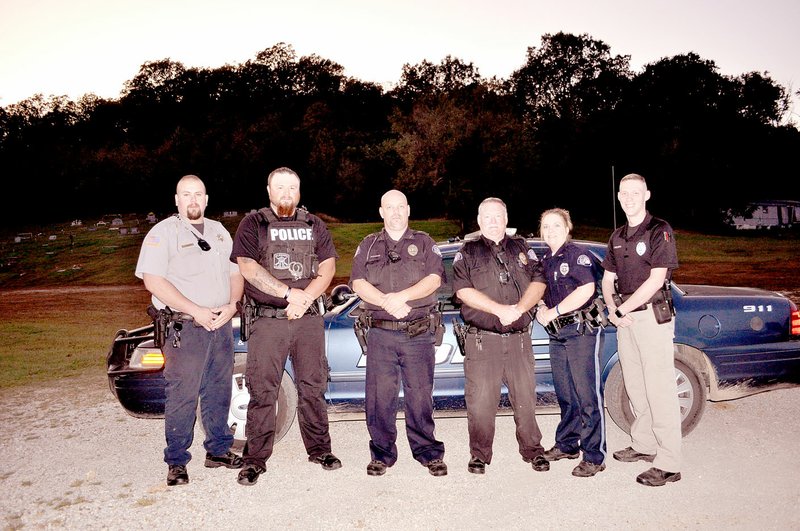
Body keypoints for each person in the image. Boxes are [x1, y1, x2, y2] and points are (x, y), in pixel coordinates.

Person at [231, 166, 341, 486]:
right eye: (280, 188)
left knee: (312, 387)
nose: (286, 194)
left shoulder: (313, 223)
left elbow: (329, 265)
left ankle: (320, 449)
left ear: (300, 191)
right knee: (263, 390)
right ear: (269, 191)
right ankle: (254, 458)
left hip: (307, 320)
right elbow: (248, 268)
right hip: (268, 321)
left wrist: (305, 298)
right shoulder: (253, 224)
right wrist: (288, 293)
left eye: (292, 188)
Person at [135, 174, 245, 486]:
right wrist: (196, 309)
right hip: (185, 327)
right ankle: (177, 461)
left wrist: (233, 304)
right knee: (182, 395)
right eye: (187, 194)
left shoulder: (220, 232)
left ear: (206, 199)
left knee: (218, 389)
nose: (193, 200)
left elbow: (235, 272)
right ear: (177, 199)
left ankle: (218, 450)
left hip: (220, 325)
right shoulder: (163, 233)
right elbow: (153, 281)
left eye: (198, 194)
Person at [350, 190, 448, 477]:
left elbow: (433, 280)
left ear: (408, 210)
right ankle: (381, 454)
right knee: (380, 398)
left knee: (420, 396)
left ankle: (428, 452)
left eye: (400, 207)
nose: (395, 212)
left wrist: (401, 298)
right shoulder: (367, 245)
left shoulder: (425, 242)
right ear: (381, 212)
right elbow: (358, 283)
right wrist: (386, 302)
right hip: (380, 334)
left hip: (418, 334)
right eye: (389, 207)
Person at [452, 197, 549, 475]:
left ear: (506, 220)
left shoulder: (522, 247)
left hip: (519, 339)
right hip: (483, 341)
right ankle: (480, 455)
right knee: (481, 401)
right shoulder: (468, 252)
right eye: (487, 217)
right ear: (479, 220)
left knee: (526, 400)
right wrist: (499, 310)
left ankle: (533, 451)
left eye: (498, 216)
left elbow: (539, 281)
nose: (493, 221)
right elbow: (462, 291)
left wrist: (519, 309)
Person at [601, 172, 682, 487]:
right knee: (635, 387)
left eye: (636, 192)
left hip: (650, 318)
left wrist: (621, 308)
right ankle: (645, 444)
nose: (630, 197)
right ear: (619, 197)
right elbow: (608, 280)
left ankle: (669, 462)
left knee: (659, 390)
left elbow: (656, 279)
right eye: (625, 193)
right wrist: (612, 309)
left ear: (647, 194)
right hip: (625, 320)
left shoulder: (659, 231)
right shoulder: (617, 236)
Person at [535, 208, 607, 477]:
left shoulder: (577, 255)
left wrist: (553, 312)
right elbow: (542, 289)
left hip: (580, 331)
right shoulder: (546, 259)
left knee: (587, 396)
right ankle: (567, 444)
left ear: (568, 227)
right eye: (546, 226)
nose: (551, 230)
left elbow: (586, 289)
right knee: (566, 393)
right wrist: (542, 306)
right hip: (558, 335)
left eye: (556, 225)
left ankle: (594, 455)